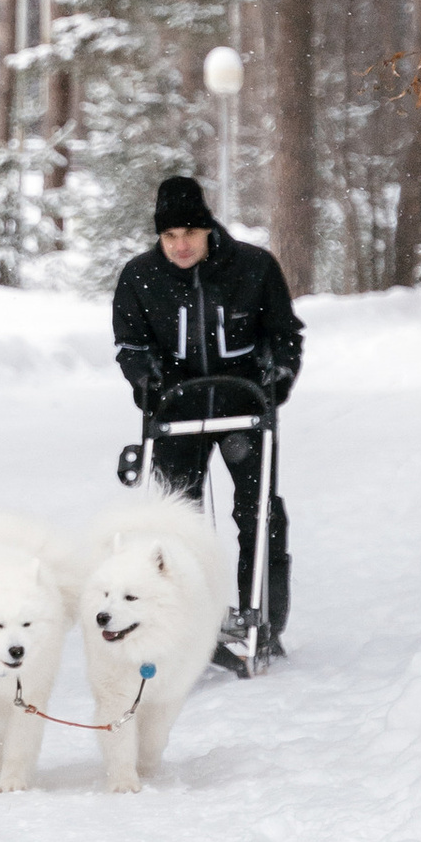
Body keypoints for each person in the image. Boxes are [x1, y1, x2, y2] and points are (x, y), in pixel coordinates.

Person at [110, 169, 304, 641]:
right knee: (176, 527)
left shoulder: (254, 268)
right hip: (176, 413)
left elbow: (285, 335)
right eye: (170, 235)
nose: (180, 245)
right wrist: (145, 381)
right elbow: (130, 346)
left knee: (258, 514)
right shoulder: (139, 277)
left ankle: (264, 620)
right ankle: (189, 625)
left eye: (190, 233)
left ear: (208, 228)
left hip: (245, 406)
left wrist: (278, 375)